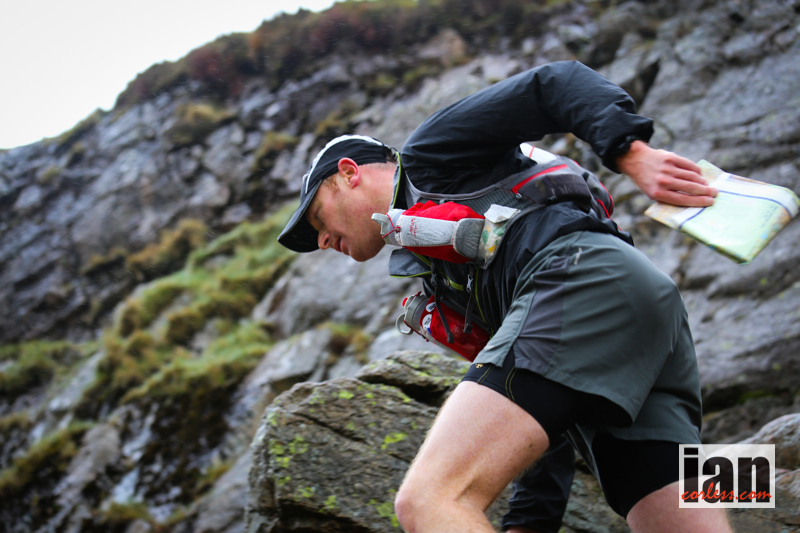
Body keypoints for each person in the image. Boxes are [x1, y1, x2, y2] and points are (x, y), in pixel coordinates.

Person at [277, 61, 730, 533]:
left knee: (429, 499)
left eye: (317, 219)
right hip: (644, 307)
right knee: (670, 515)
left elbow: (554, 83)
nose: (322, 241)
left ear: (349, 173)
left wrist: (631, 152)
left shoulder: (429, 156)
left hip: (577, 280)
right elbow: (537, 407)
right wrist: (528, 523)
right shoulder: (445, 275)